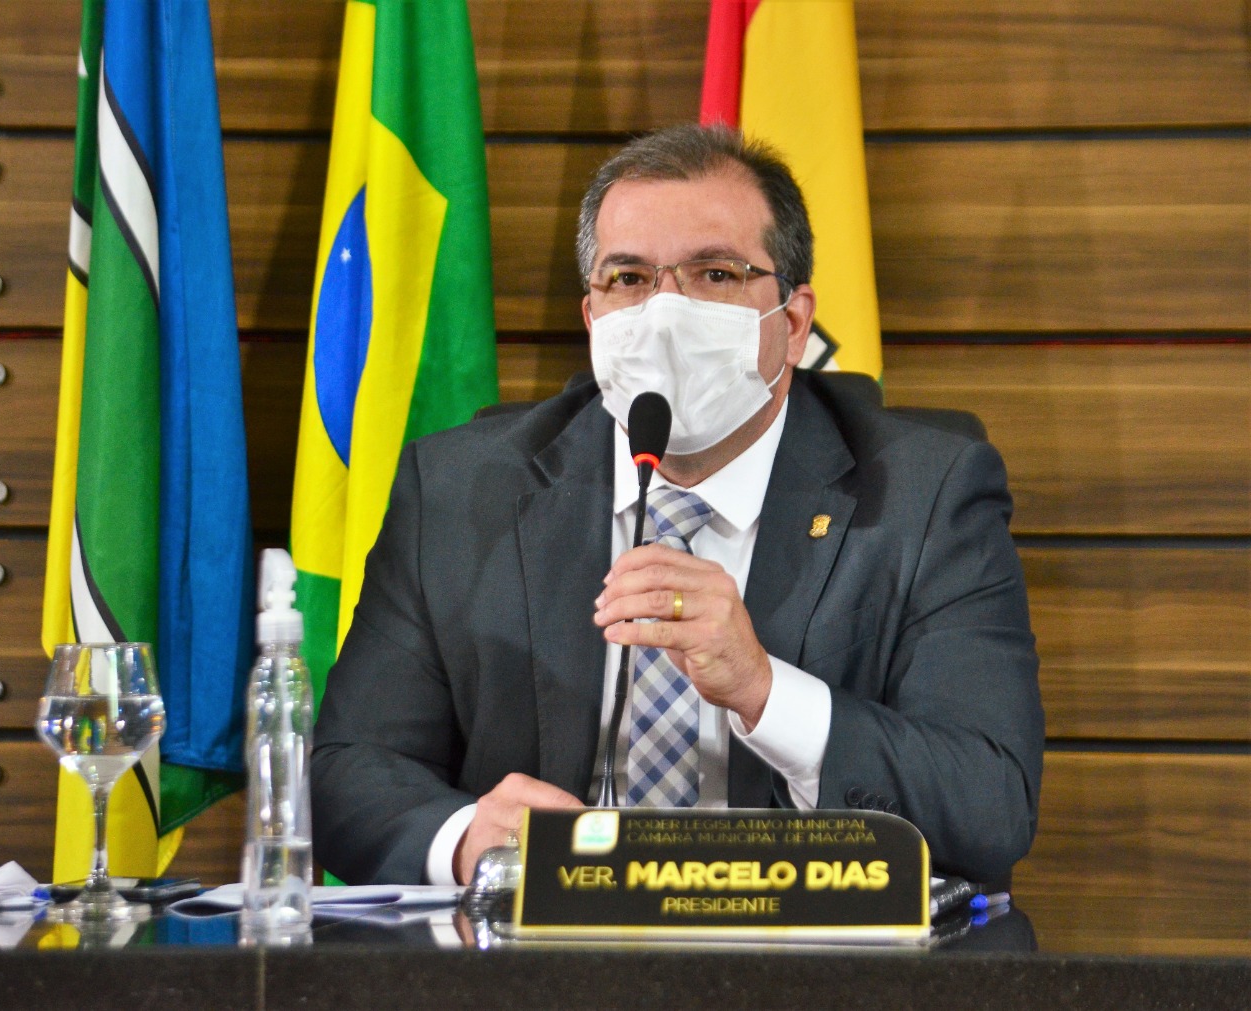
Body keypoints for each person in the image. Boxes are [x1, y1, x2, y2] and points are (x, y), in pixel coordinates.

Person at [311, 124, 1044, 888]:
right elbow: (344, 773)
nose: (664, 313)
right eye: (628, 277)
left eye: (715, 273)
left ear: (793, 323)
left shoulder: (927, 496)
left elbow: (990, 803)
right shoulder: (460, 490)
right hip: (544, 944)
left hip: (801, 944)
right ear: (592, 319)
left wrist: (764, 691)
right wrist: (468, 838)